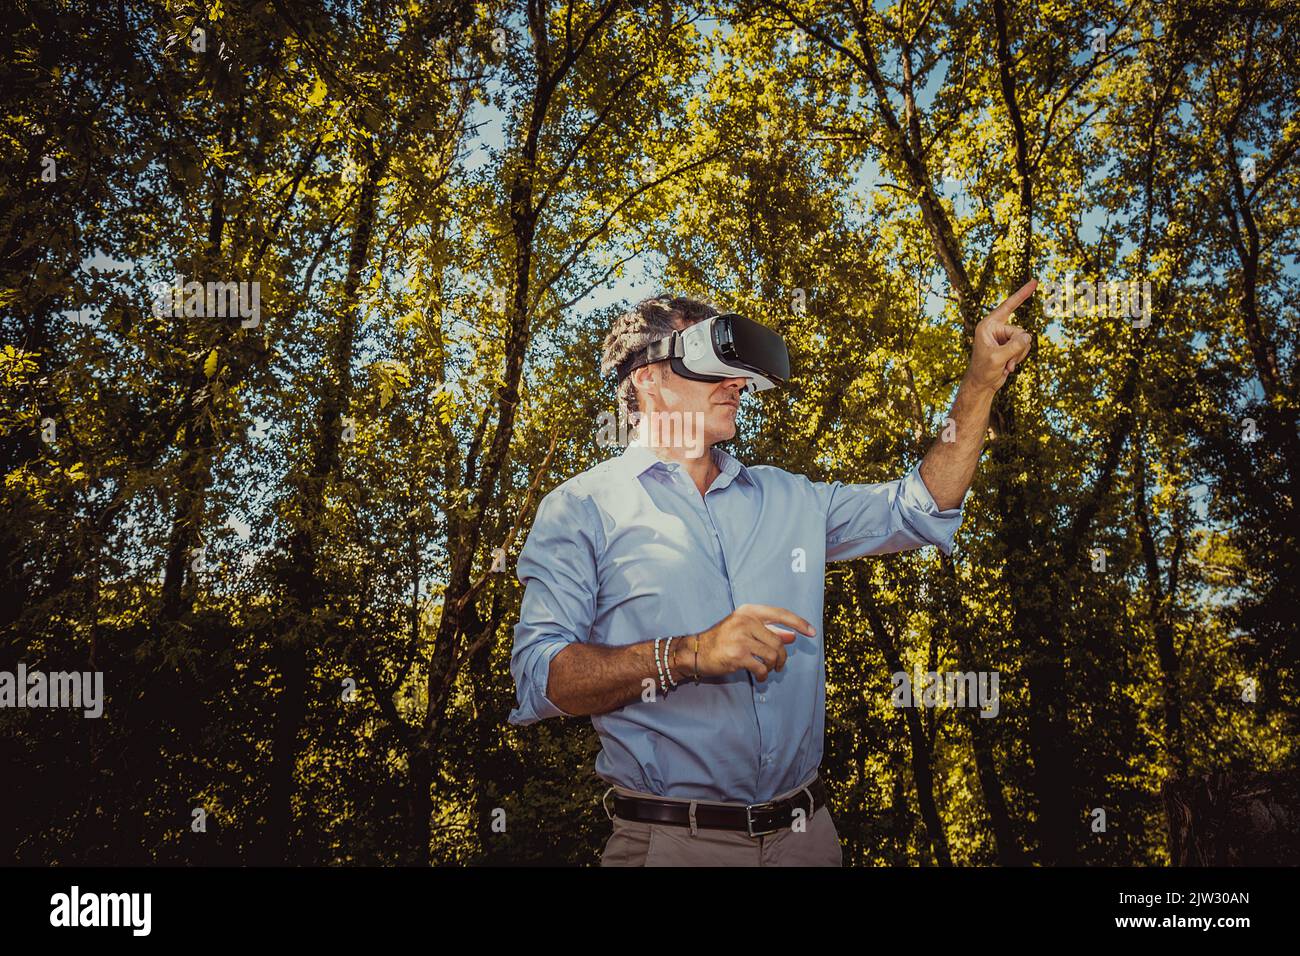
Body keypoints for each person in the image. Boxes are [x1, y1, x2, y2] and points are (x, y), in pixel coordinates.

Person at [507, 284, 1036, 866]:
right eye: (711, 364)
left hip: (805, 838)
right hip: (671, 846)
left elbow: (920, 507)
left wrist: (980, 382)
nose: (735, 383)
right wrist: (687, 654)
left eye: (736, 371)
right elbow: (541, 676)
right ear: (648, 379)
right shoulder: (583, 508)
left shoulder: (791, 498)